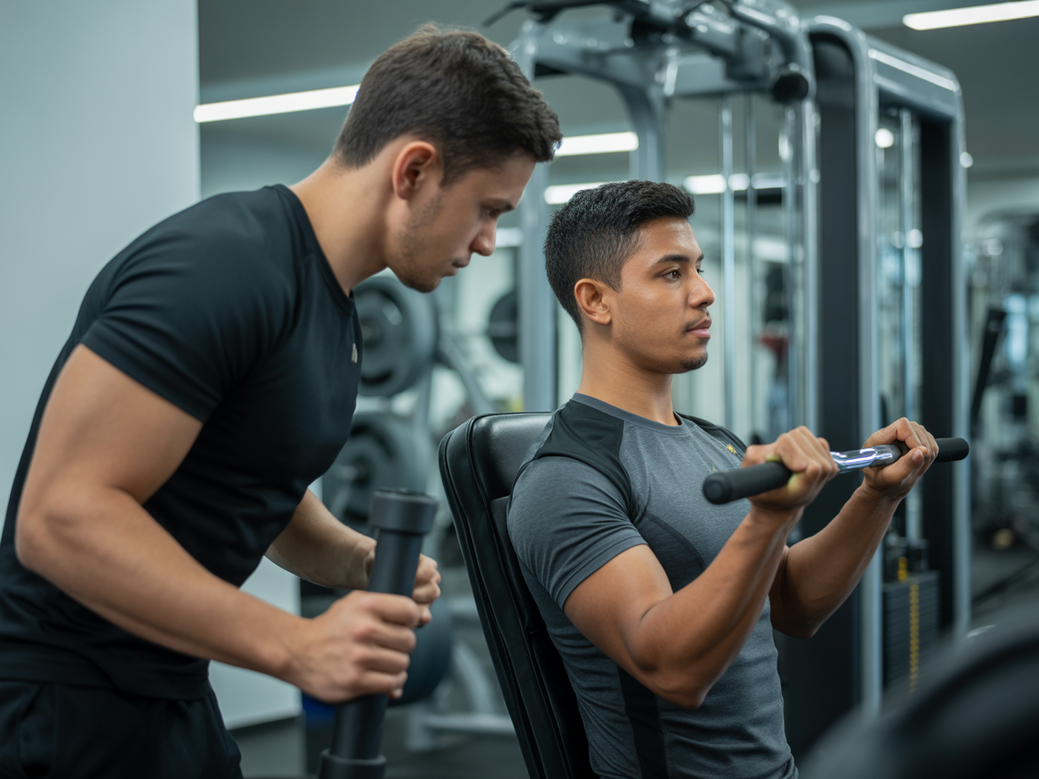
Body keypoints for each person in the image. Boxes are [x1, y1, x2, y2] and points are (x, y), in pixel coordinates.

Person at [0, 24, 562, 778]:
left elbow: (259, 487)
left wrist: (358, 558)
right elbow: (58, 518)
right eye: (487, 208)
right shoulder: (222, 264)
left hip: (170, 688)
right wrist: (293, 645)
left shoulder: (329, 304)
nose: (490, 240)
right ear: (414, 170)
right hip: (60, 704)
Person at [507, 180, 937, 779]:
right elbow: (672, 671)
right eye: (670, 273)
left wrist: (876, 498)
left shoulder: (713, 441)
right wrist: (771, 516)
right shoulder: (566, 479)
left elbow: (791, 604)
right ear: (596, 301)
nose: (705, 293)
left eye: (698, 269)